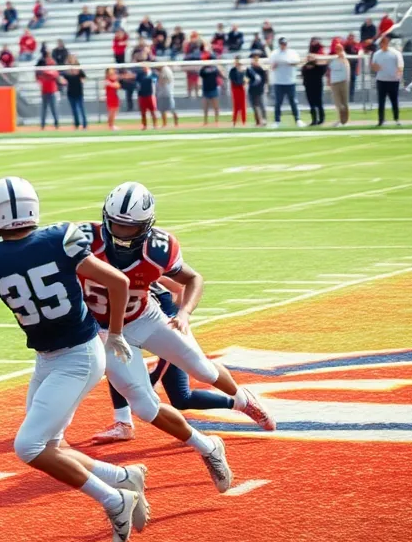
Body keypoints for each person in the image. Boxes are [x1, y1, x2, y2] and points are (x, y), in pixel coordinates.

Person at [0, 177, 148, 542]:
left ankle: (115, 500)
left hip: (73, 360)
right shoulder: (61, 237)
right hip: (66, 355)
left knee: (29, 447)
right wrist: (114, 333)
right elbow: (117, 281)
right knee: (52, 445)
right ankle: (124, 477)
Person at [82, 183, 275, 449]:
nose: (123, 233)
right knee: (143, 404)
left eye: (131, 227)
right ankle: (199, 445)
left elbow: (193, 278)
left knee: (202, 369)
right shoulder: (81, 239)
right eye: (117, 225)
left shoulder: (158, 248)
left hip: (144, 317)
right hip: (103, 330)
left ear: (147, 225)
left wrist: (184, 312)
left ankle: (243, 399)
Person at [269, 37, 304, 128]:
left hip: (290, 81)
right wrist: (275, 65)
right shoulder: (275, 54)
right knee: (278, 102)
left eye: (285, 44)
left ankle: (297, 119)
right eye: (282, 44)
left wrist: (290, 63)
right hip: (279, 81)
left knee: (293, 101)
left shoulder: (292, 53)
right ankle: (277, 121)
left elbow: (297, 62)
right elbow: (271, 66)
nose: (283, 46)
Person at [370, 35, 404, 127]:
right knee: (381, 101)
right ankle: (381, 120)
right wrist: (376, 67)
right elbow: (373, 66)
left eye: (384, 42)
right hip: (381, 80)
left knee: (394, 101)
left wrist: (399, 74)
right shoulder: (377, 54)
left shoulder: (395, 53)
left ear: (388, 43)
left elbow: (400, 66)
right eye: (381, 42)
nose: (383, 44)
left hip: (393, 80)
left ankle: (396, 119)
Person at [327, 44, 351, 126]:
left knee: (344, 102)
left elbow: (346, 66)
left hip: (343, 82)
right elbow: (329, 70)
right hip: (334, 83)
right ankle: (340, 119)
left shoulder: (344, 58)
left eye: (339, 49)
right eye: (336, 49)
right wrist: (329, 80)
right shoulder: (333, 59)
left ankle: (344, 121)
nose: (338, 50)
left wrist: (342, 57)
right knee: (338, 102)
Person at [301, 57, 327, 126]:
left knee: (319, 102)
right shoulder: (305, 68)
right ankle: (314, 120)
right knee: (311, 104)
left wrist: (316, 63)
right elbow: (303, 73)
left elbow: (324, 68)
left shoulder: (318, 68)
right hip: (308, 86)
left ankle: (321, 119)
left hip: (317, 86)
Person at [62, 59, 86, 130]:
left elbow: (84, 79)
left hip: (79, 93)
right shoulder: (67, 73)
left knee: (81, 109)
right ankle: (77, 124)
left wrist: (82, 80)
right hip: (71, 94)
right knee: (74, 110)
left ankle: (84, 124)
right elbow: (63, 80)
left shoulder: (80, 72)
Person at [246, 54, 268, 126]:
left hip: (260, 89)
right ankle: (258, 121)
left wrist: (265, 87)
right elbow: (246, 79)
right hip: (252, 90)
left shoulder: (261, 69)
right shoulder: (249, 70)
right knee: (254, 106)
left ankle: (264, 120)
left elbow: (265, 79)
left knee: (262, 105)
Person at [134, 65, 157, 130]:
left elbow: (154, 81)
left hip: (150, 95)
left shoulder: (153, 74)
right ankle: (145, 125)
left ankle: (155, 125)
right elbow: (137, 83)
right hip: (142, 95)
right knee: (143, 112)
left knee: (153, 111)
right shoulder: (140, 75)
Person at [199, 60, 221, 126]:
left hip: (213, 89)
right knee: (205, 107)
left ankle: (216, 121)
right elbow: (201, 74)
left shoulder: (215, 68)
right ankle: (205, 121)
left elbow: (219, 74)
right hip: (206, 90)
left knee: (216, 106)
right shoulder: (203, 69)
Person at [227, 57, 246, 126]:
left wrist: (243, 82)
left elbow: (245, 79)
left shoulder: (243, 70)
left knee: (243, 105)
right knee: (236, 105)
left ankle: (243, 121)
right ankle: (234, 121)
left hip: (241, 88)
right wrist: (240, 82)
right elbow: (233, 80)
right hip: (235, 88)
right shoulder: (233, 70)